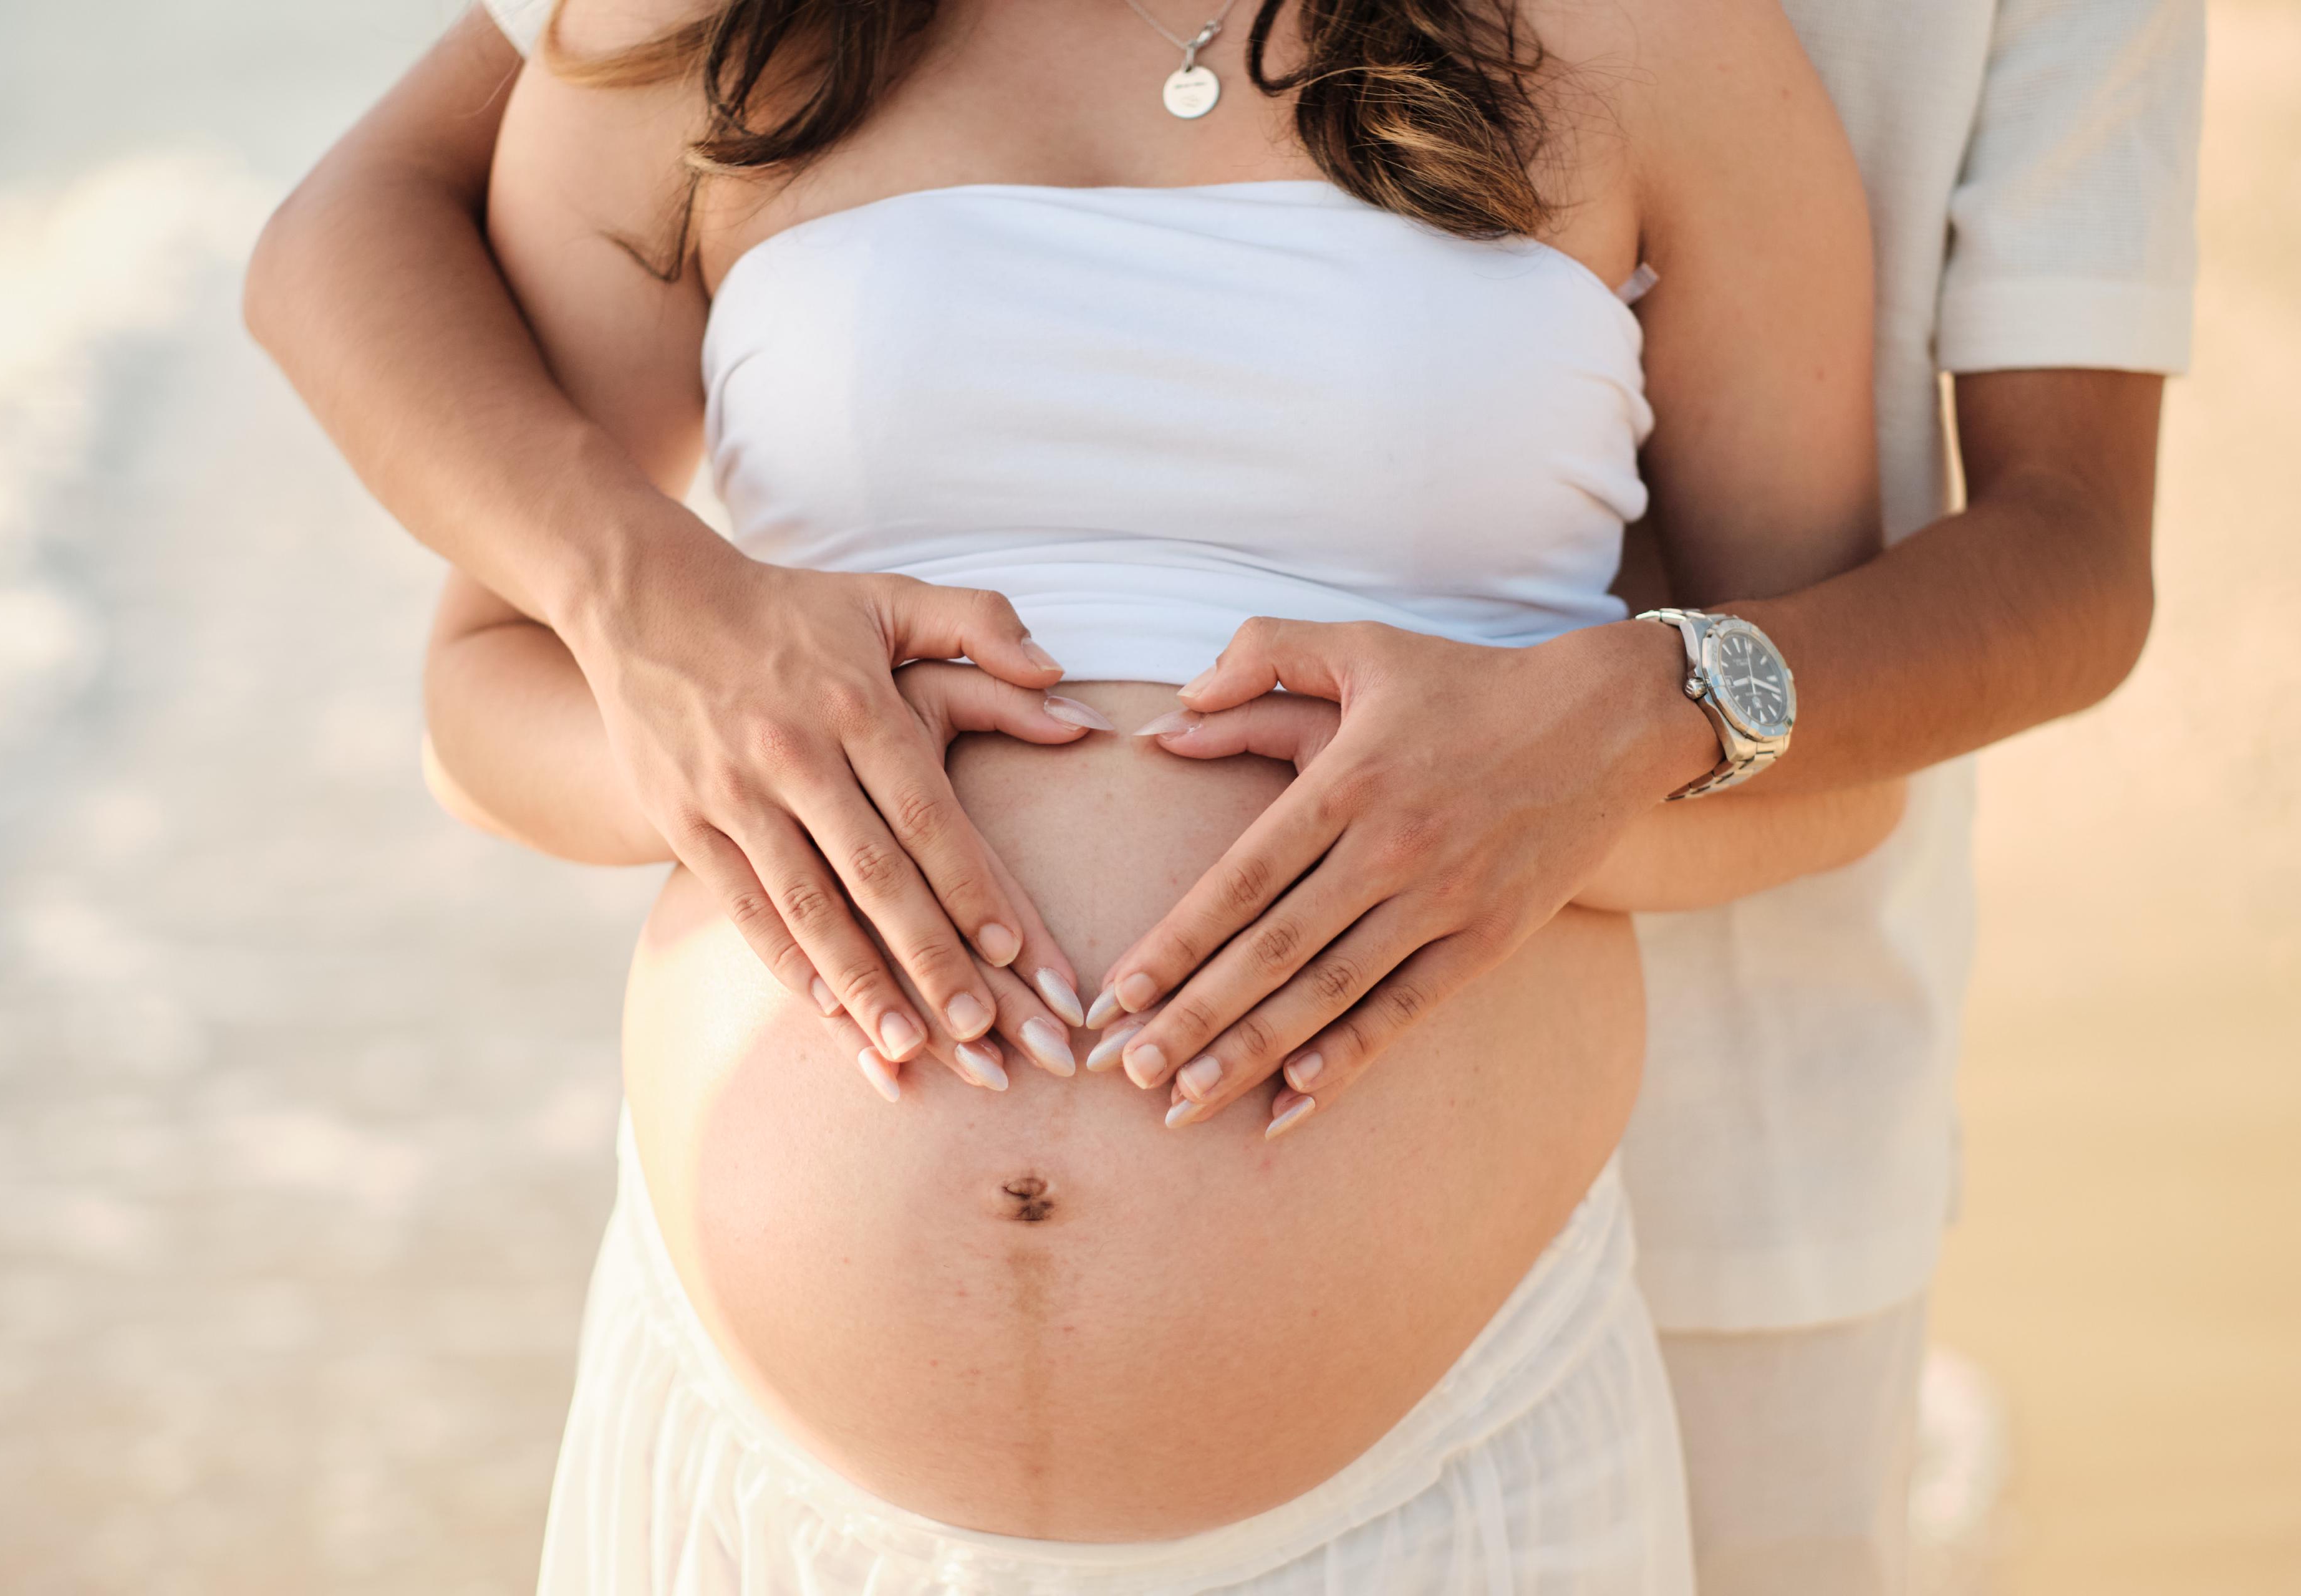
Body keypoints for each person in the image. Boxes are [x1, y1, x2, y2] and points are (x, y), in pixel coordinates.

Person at [244, 1, 2201, 1592]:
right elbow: (482, 661)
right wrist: (697, 739)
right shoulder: (709, 39)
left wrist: (1609, 746)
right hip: (764, 1492)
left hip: (1443, 1484)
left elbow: (1866, 699)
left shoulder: (1656, 48)